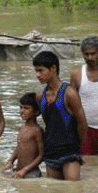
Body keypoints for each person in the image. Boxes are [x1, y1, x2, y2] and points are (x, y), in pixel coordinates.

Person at [33, 51, 89, 181]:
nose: (37, 75)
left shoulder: (69, 93)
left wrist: (78, 148)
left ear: (53, 68)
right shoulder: (40, 97)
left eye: (41, 71)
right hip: (51, 152)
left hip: (70, 153)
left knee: (73, 192)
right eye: (36, 71)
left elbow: (82, 124)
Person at [4, 93, 44, 178]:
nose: (22, 111)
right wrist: (11, 160)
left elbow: (42, 156)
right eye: (21, 107)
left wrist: (25, 170)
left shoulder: (37, 131)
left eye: (26, 108)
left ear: (36, 112)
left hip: (32, 173)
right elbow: (19, 147)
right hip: (19, 171)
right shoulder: (22, 128)